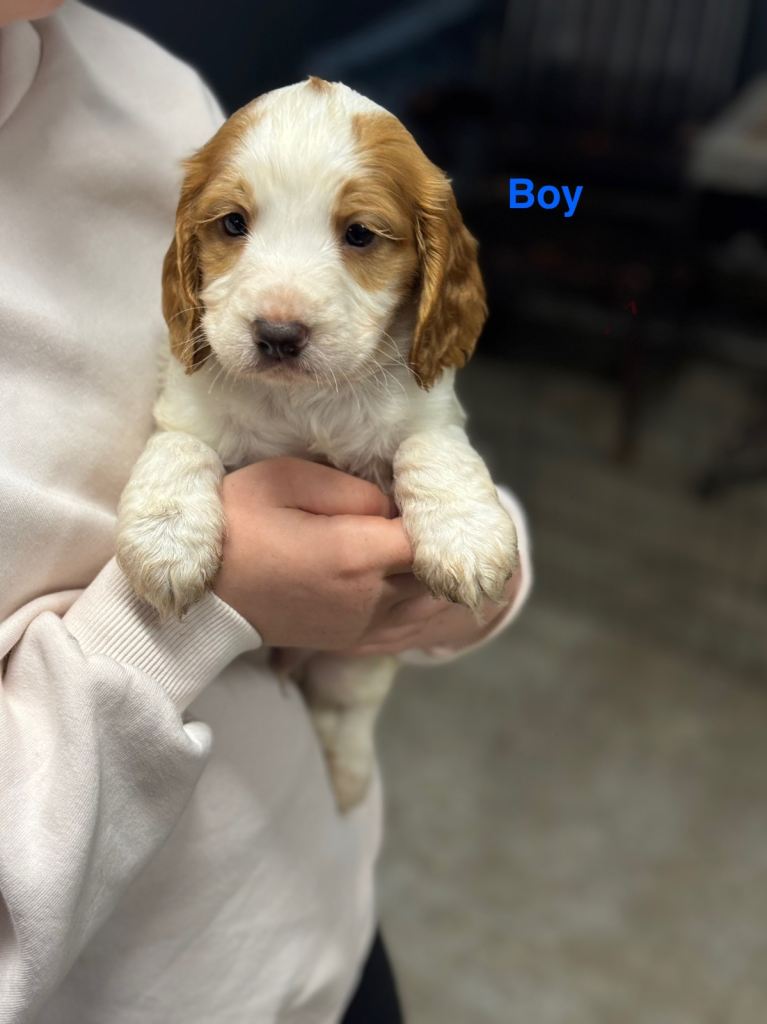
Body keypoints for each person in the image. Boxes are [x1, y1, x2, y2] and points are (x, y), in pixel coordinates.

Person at [0, 2, 532, 1021]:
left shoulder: (154, 95)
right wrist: (218, 602)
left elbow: (438, 457)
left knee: (349, 719)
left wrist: (475, 570)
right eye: (233, 227)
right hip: (135, 990)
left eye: (359, 235)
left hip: (325, 910)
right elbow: (185, 427)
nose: (279, 306)